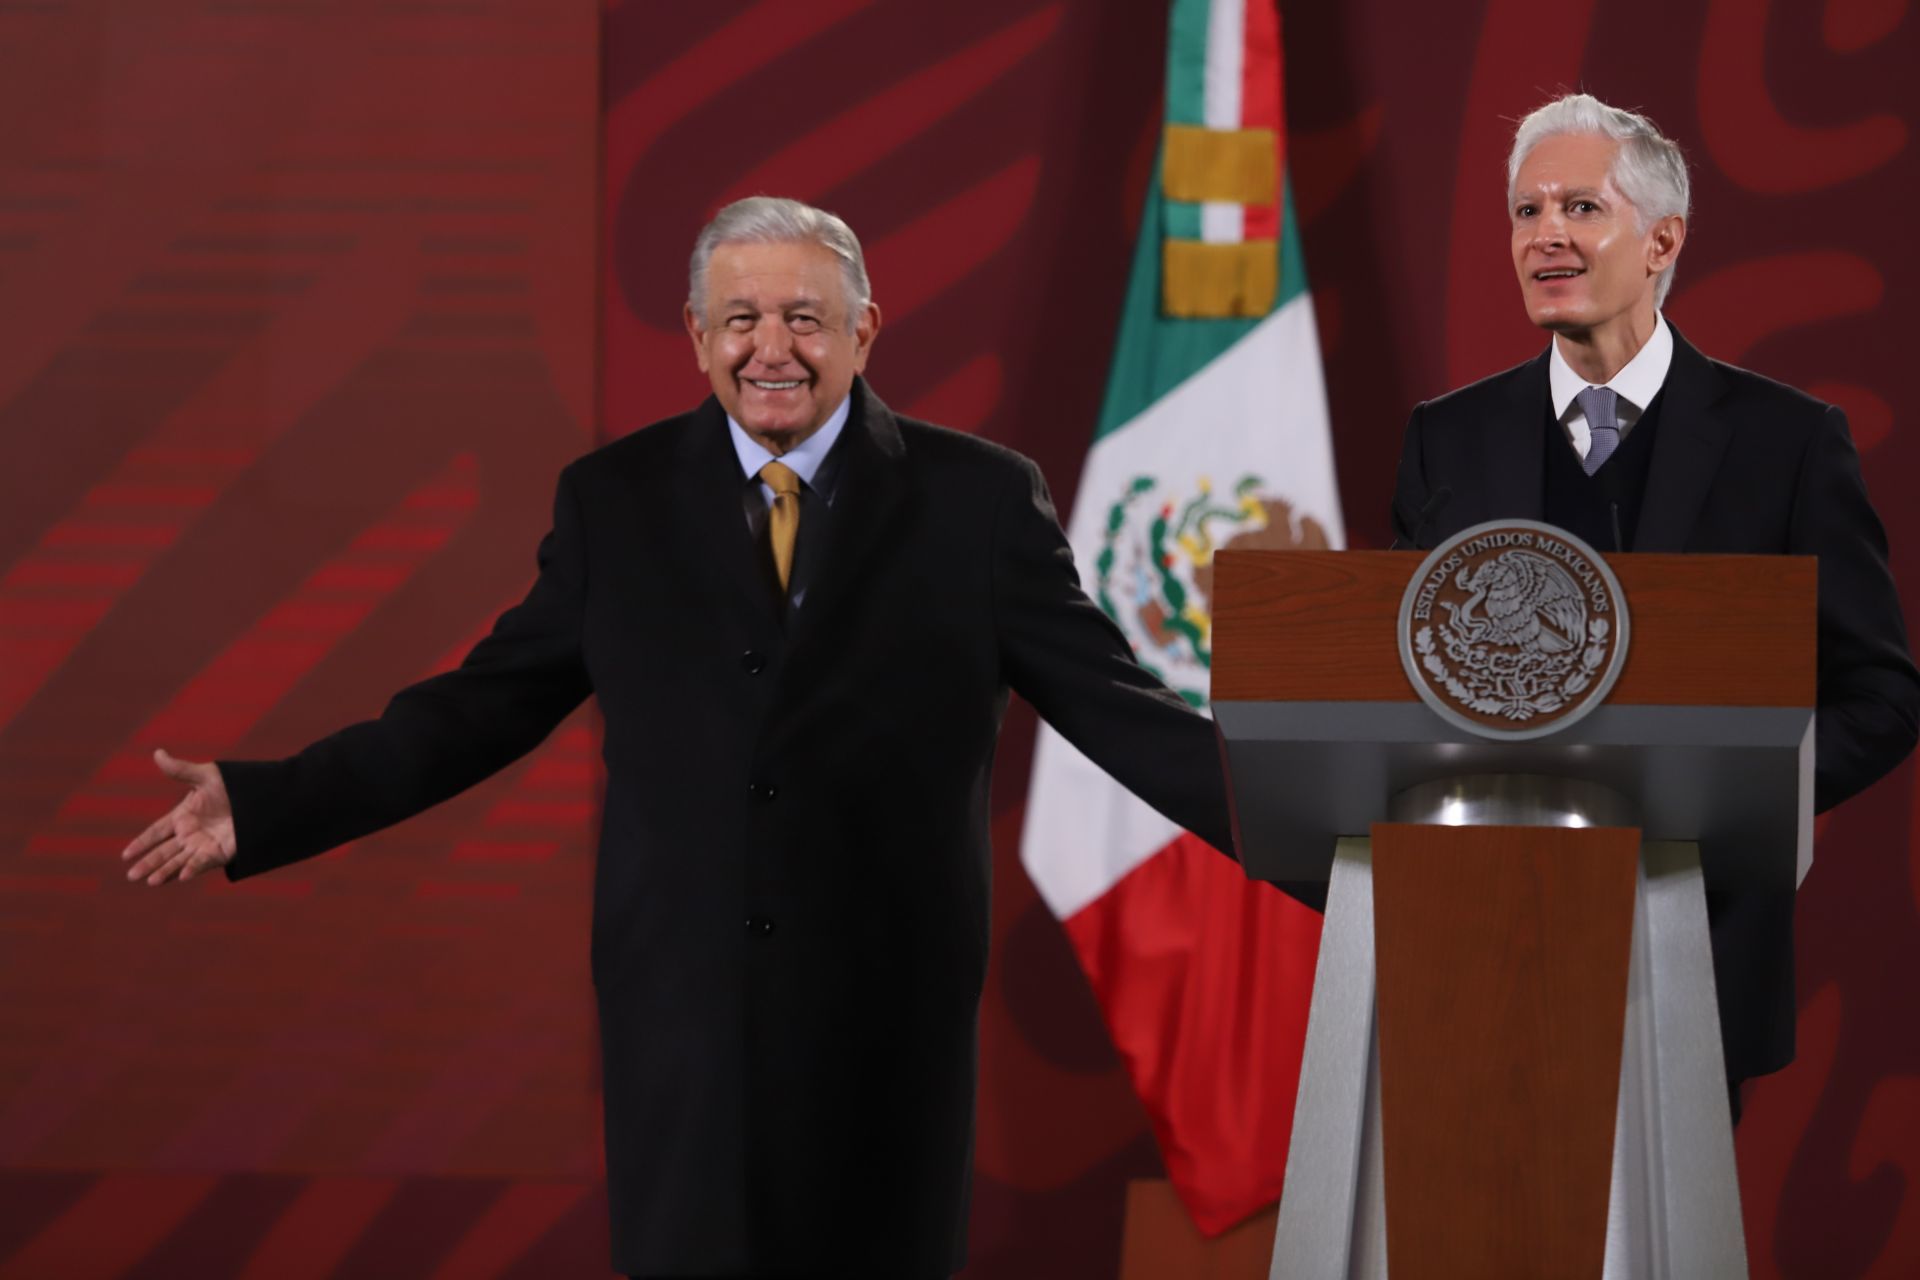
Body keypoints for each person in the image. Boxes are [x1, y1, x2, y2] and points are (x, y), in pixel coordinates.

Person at [121, 197, 1236, 1279]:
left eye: (804, 317)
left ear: (864, 329)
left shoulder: (980, 501)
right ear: (698, 336)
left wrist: (1326, 829)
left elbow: (1117, 706)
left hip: (881, 1019)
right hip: (682, 1016)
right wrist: (268, 800)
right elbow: (477, 708)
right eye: (740, 319)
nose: (772, 348)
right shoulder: (616, 501)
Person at [1390, 93, 1920, 1101]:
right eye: (1524, 211)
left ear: (1662, 237)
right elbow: (1400, 688)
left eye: (1580, 208)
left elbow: (1882, 696)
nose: (1544, 234)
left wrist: (1741, 801)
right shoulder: (1445, 441)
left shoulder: (1787, 442)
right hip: (1482, 941)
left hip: (1700, 941)